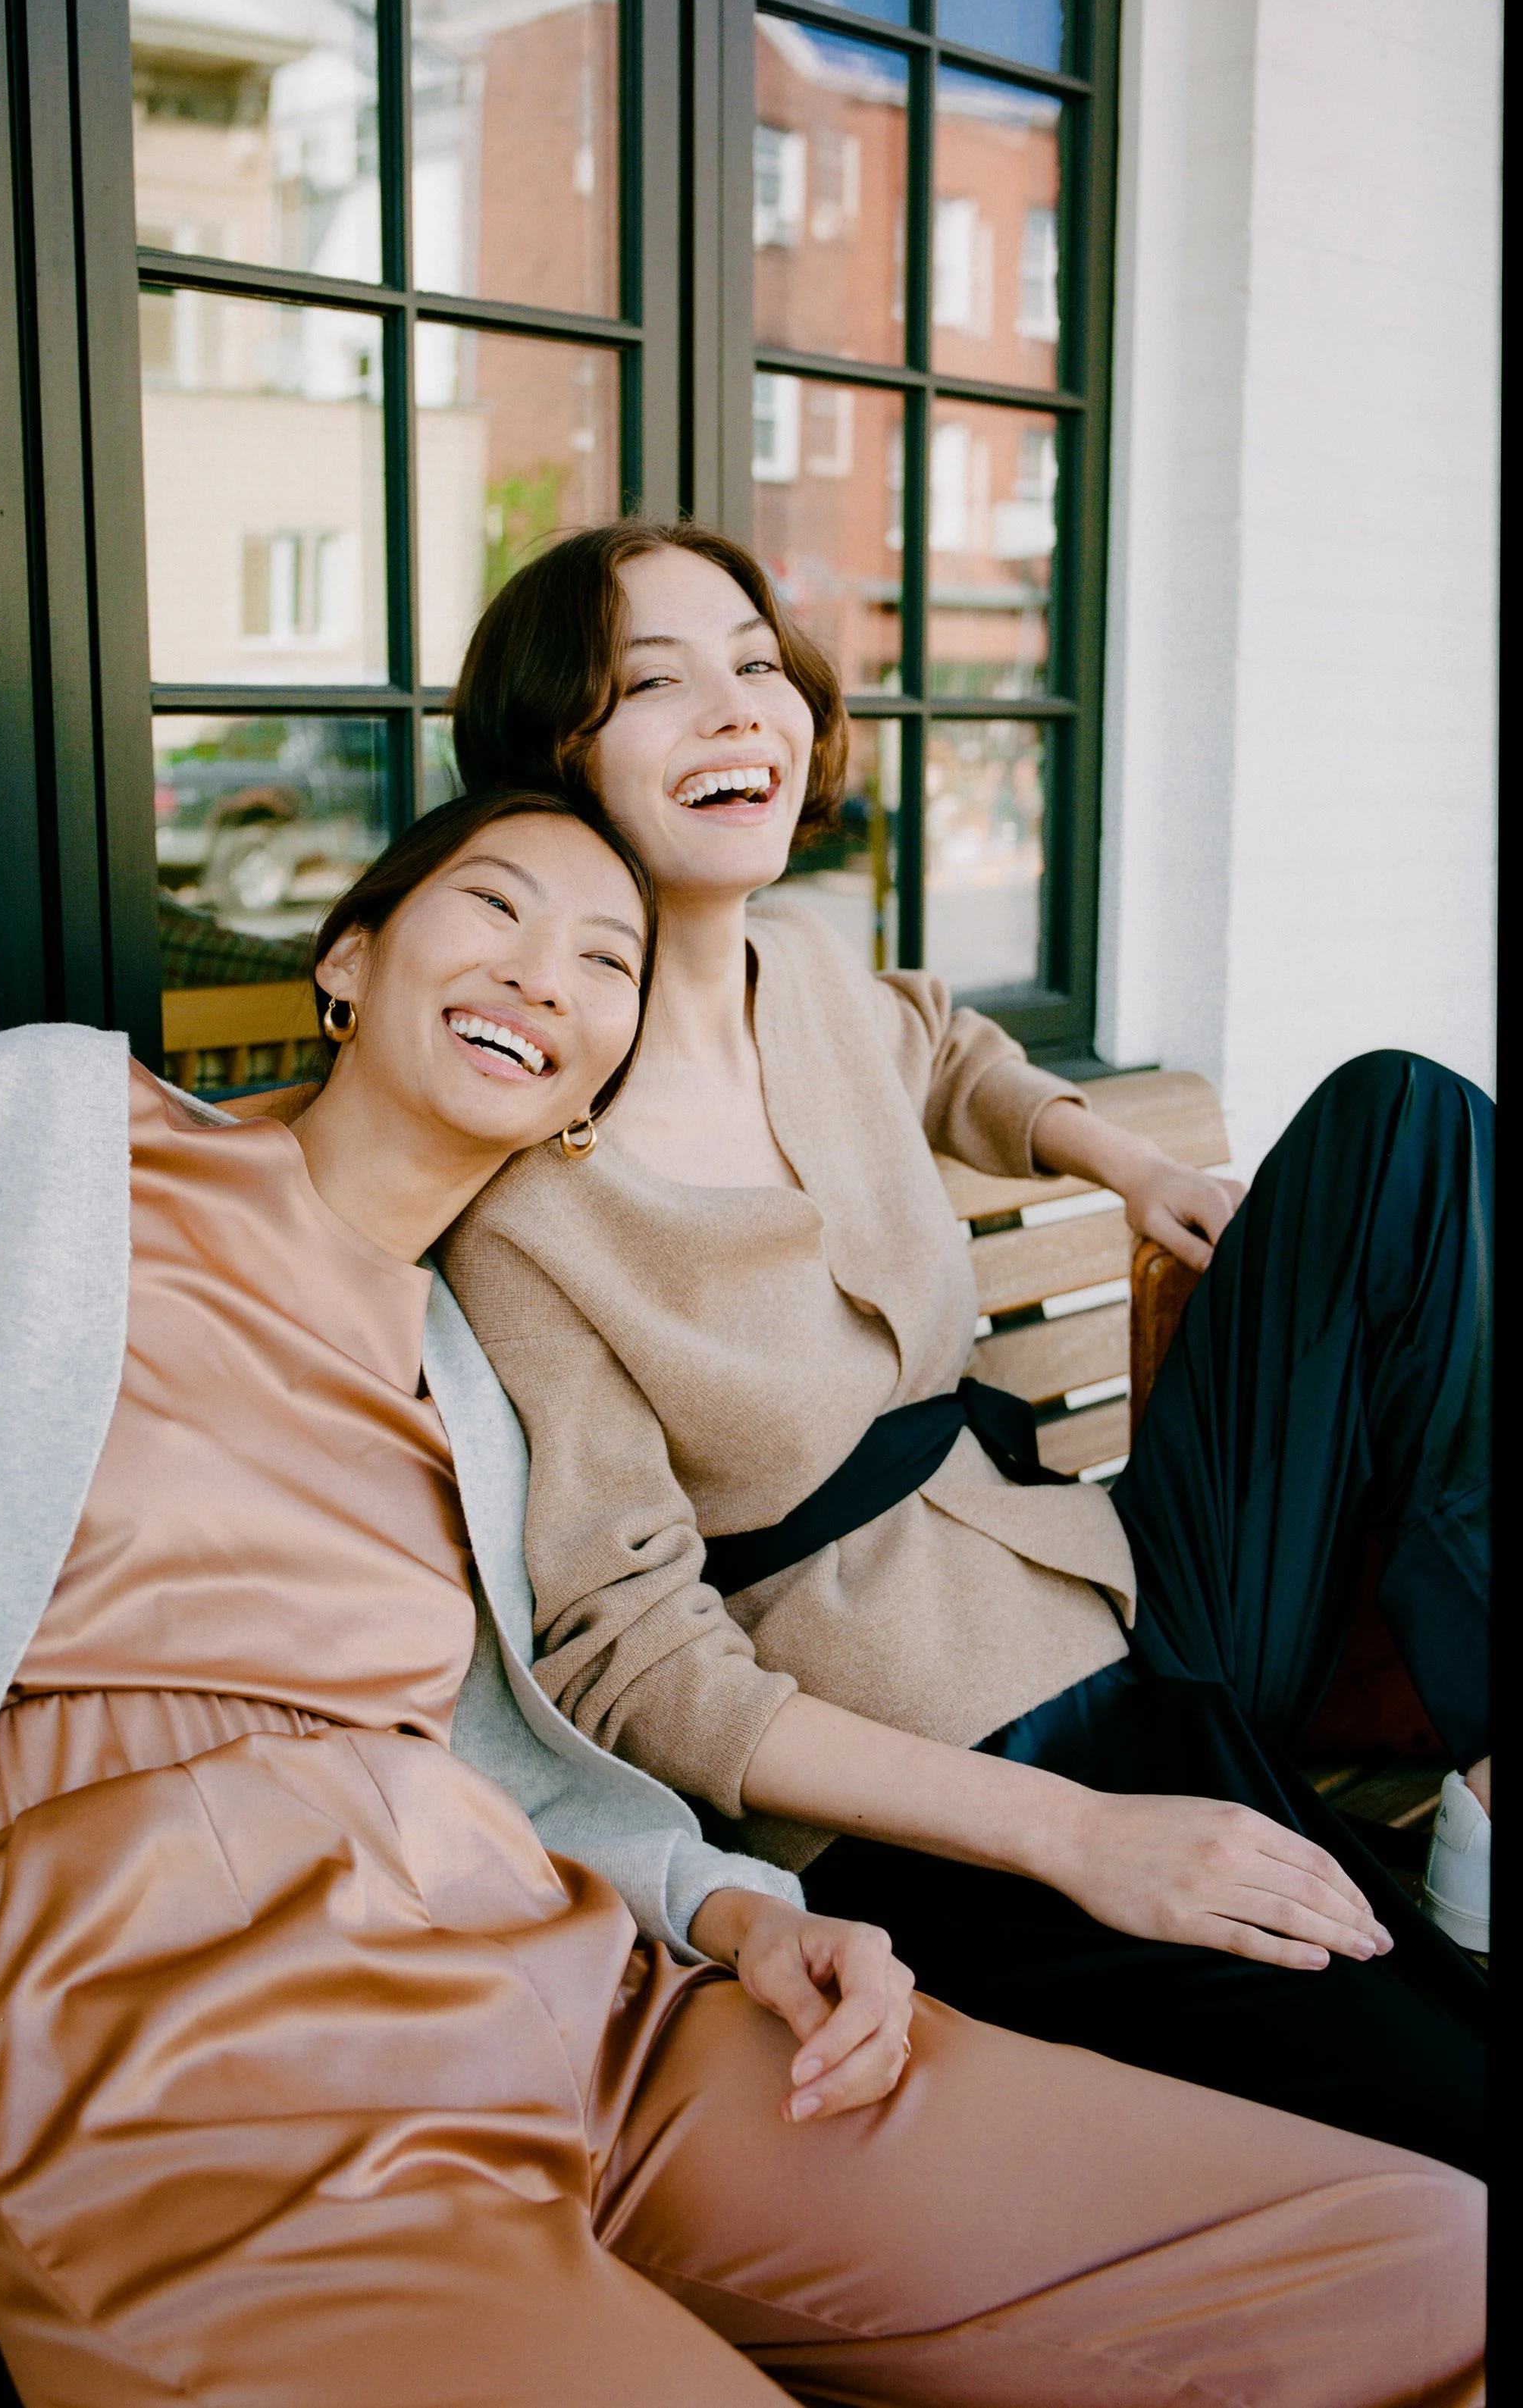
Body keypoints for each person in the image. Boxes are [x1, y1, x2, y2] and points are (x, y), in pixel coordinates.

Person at [0, 791, 1483, 2406]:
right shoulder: (58, 1147)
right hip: (171, 2000)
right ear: (347, 960)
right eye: (493, 909)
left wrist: (743, 1915)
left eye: (605, 963)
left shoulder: (487, 1368)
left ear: (601, 1077)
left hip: (575, 1984)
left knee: (1419, 2263)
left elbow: (527, 1752)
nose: (543, 976)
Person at [438, 521, 1490, 2178]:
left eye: (757, 664)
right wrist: (1076, 1836)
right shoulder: (526, 1202)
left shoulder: (803, 968)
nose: (738, 708)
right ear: (548, 754)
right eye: (655, 682)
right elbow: (629, 1659)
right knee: (1443, 2102)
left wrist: (1122, 1162)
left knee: (1400, 1125)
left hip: (1118, 1585)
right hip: (939, 1785)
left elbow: (941, 1046)